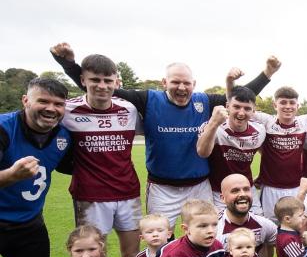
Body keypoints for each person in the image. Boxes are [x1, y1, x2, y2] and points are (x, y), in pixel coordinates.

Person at [51, 43, 280, 228]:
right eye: (175, 82)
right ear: (164, 83)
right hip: (162, 187)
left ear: (194, 84)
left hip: (199, 186)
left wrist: (267, 73)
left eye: (186, 83)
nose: (181, 88)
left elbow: (239, 100)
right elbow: (103, 88)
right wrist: (69, 65)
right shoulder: (148, 99)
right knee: (159, 241)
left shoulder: (204, 101)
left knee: (206, 236)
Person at [58, 52, 150, 257]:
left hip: (127, 194)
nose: (101, 86)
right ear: (82, 80)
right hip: (90, 196)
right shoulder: (68, 110)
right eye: (94, 80)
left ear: (116, 81)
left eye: (107, 80)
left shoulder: (128, 109)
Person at [1, 77, 72, 257]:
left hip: (28, 223)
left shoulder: (63, 136)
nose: (51, 108)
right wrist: (10, 176)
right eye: (43, 101)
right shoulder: (5, 129)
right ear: (25, 101)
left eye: (58, 103)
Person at [253, 84, 307, 223]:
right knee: (270, 227)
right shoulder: (267, 121)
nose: (288, 106)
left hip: (295, 187)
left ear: (297, 106)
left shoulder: (303, 122)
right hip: (270, 188)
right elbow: (245, 108)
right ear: (275, 105)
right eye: (283, 102)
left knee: (294, 226)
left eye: (292, 102)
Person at [196, 85, 265, 214]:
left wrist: (262, 175)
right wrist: (214, 124)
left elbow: (267, 155)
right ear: (227, 106)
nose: (241, 112)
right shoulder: (212, 126)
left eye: (247, 108)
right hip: (218, 191)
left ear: (253, 110)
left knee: (256, 228)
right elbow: (202, 152)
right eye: (236, 107)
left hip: (246, 188)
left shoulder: (260, 130)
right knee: (222, 230)